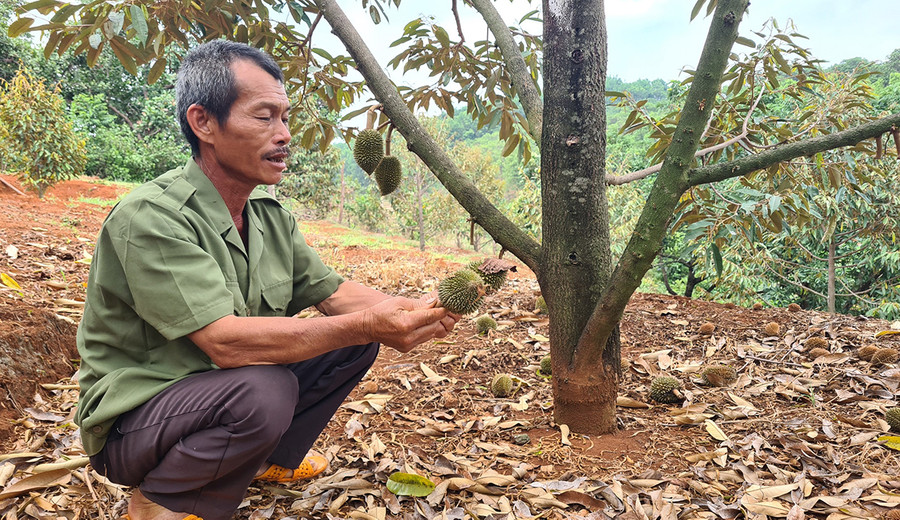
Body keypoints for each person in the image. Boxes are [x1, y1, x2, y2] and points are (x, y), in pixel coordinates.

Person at [74, 40, 459, 520]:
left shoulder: (267, 215)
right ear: (203, 123)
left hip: (217, 393)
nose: (284, 134)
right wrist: (367, 324)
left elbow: (336, 295)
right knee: (266, 390)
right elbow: (226, 345)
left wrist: (419, 307)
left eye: (285, 117)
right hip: (137, 422)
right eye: (264, 117)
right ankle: (161, 500)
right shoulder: (151, 218)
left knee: (352, 340)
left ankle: (263, 462)